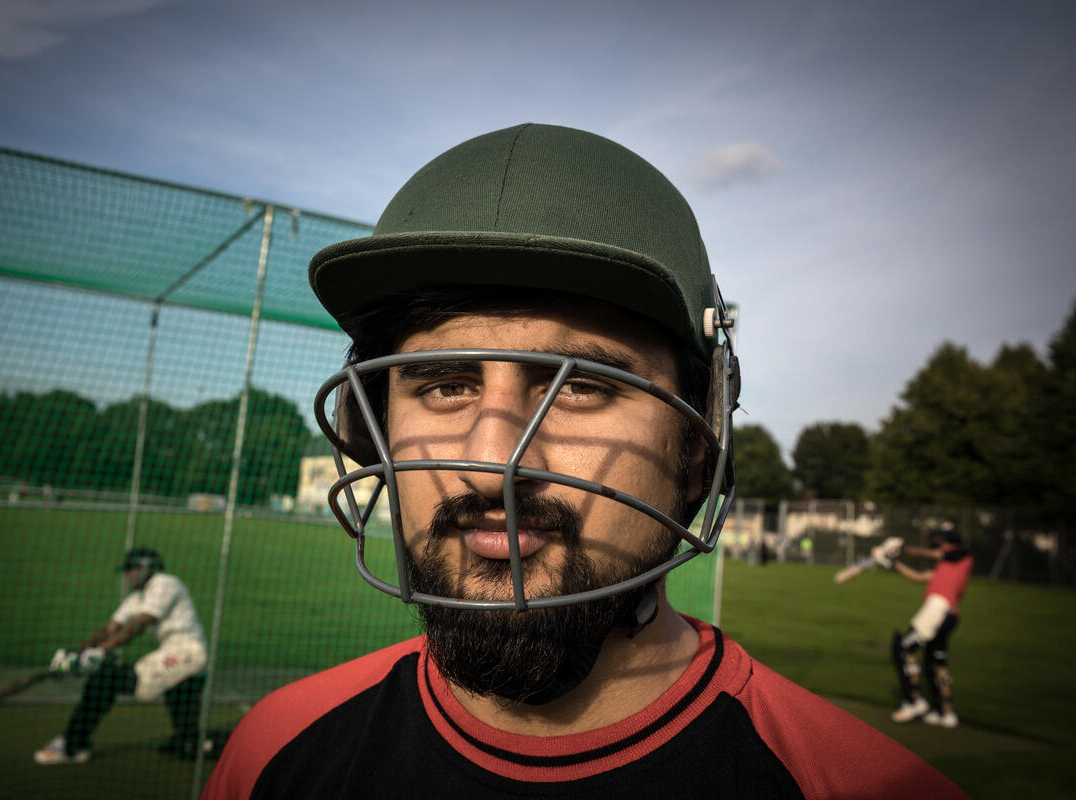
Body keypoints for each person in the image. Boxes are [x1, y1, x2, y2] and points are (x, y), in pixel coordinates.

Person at [205, 123, 966, 798]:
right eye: (443, 385)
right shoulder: (273, 754)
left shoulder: (858, 784)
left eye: (586, 388)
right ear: (369, 430)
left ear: (697, 449)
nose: (490, 460)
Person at [34, 546, 209, 764]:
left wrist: (101, 651)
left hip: (187, 653)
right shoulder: (137, 597)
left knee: (107, 679)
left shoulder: (165, 583)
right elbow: (110, 629)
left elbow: (140, 623)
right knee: (187, 736)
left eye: (130, 570)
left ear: (146, 568)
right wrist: (76, 653)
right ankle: (190, 741)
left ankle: (73, 745)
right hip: (174, 654)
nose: (126, 576)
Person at [890, 528, 974, 728]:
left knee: (904, 648)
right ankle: (946, 713)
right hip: (948, 615)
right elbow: (919, 577)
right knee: (935, 662)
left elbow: (934, 554)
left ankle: (913, 701)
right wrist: (893, 563)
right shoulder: (945, 567)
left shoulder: (962, 556)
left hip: (938, 609)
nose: (939, 547)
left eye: (942, 543)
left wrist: (903, 548)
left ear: (952, 544)